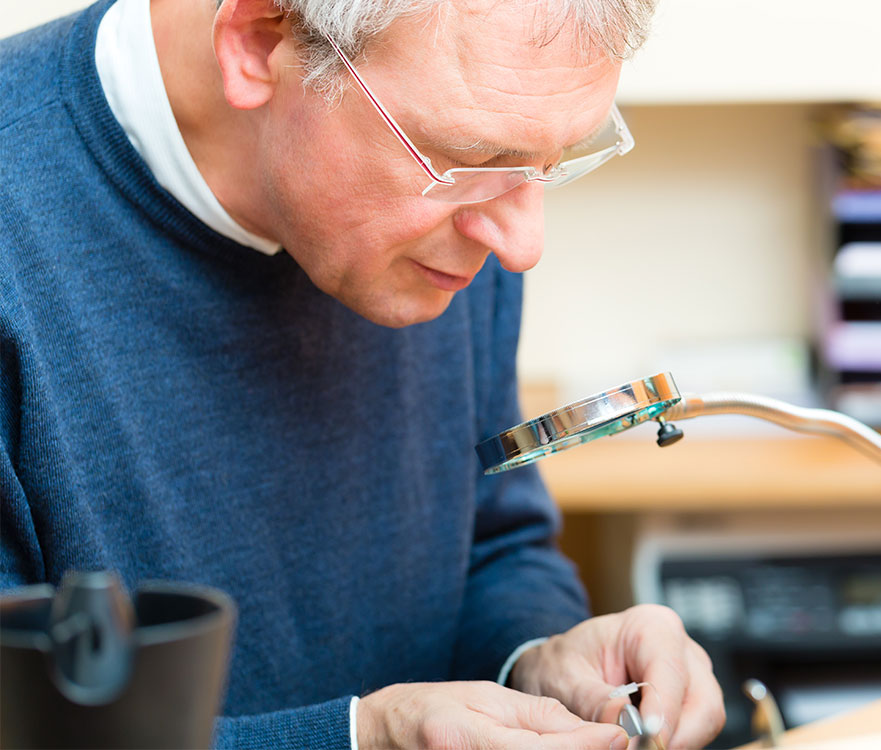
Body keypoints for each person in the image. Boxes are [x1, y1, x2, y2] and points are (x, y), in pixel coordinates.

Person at [0, 0, 725, 747]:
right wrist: (360, 737)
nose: (521, 244)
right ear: (256, 45)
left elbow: (491, 545)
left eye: (553, 161)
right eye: (469, 161)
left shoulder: (469, 221)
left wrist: (540, 658)